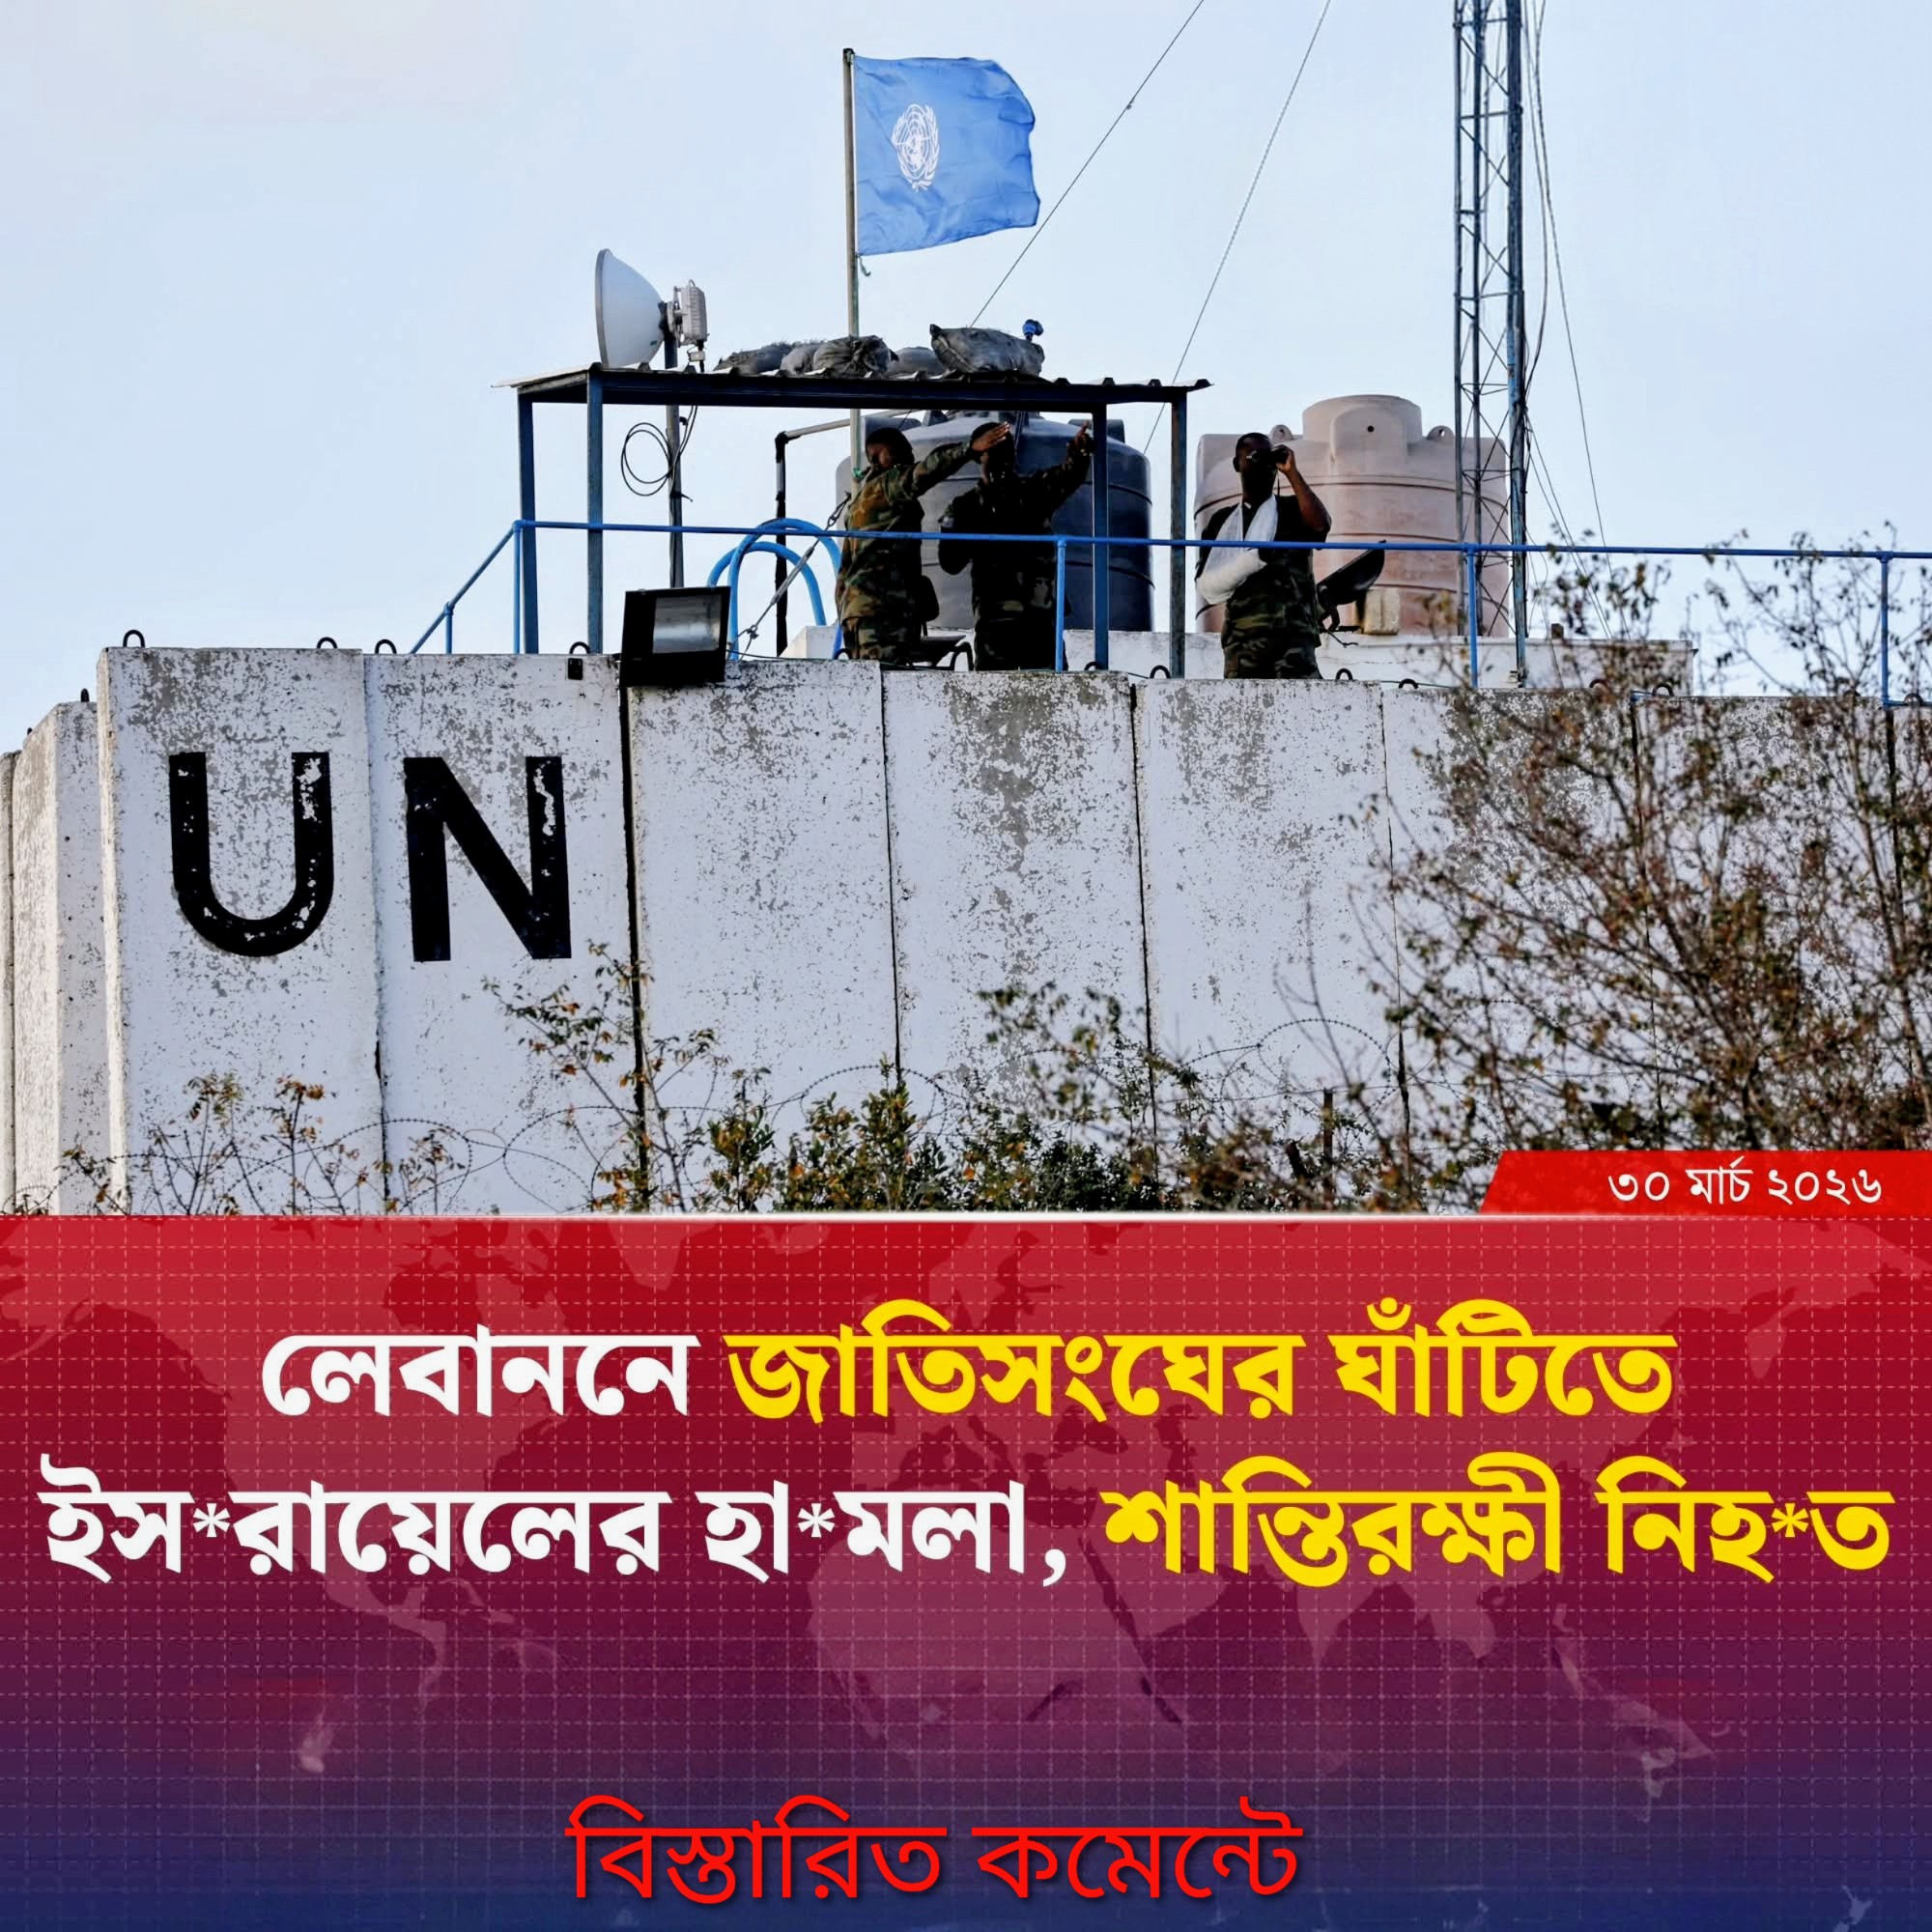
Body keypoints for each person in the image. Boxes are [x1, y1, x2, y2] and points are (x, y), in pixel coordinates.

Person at [836, 421, 1008, 665]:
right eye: (899, 451)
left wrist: (846, 612)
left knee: (869, 680)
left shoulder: (859, 504)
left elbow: (844, 572)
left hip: (859, 613)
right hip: (883, 611)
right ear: (877, 457)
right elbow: (927, 470)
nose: (909, 456)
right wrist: (969, 449)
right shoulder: (888, 485)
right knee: (887, 678)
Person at [938, 421, 1092, 669]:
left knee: (1049, 688)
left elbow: (1069, 475)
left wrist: (1079, 453)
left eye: (1005, 450)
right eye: (993, 451)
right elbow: (950, 562)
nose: (1001, 458)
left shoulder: (1033, 491)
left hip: (1039, 620)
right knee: (996, 689)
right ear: (979, 457)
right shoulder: (966, 507)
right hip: (996, 619)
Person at [1195, 431, 1333, 679]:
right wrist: (1253, 559)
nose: (1265, 466)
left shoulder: (1292, 509)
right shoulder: (1221, 522)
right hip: (1243, 641)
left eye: (1269, 458)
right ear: (1237, 464)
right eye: (1255, 457)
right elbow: (1207, 585)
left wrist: (1292, 473)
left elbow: (1320, 527)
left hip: (1294, 639)